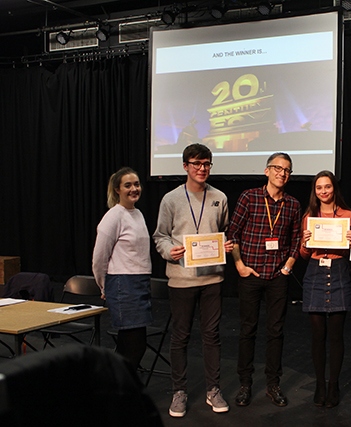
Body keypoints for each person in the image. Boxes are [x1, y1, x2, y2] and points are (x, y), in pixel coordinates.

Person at [153, 143, 230, 418]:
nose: (202, 169)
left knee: (212, 335)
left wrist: (225, 247)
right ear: (185, 166)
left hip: (212, 279)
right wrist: (167, 251)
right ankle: (179, 391)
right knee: (181, 336)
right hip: (182, 278)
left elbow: (222, 231)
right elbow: (160, 236)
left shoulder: (219, 196)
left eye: (207, 163)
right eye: (196, 164)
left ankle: (213, 389)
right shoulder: (171, 199)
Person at [227, 152, 302, 408]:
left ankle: (273, 384)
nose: (283, 173)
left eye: (287, 170)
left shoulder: (292, 204)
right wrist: (239, 265)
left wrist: (288, 265)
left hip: (277, 277)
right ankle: (245, 384)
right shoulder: (249, 197)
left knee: (276, 332)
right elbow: (233, 233)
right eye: (278, 168)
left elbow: (297, 239)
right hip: (251, 274)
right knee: (247, 330)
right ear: (267, 171)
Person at [300, 170, 351, 408]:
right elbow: (304, 254)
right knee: (317, 336)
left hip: (339, 270)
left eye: (327, 186)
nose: (324, 191)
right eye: (319, 188)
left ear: (334, 188)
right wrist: (304, 243)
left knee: (336, 335)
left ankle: (333, 384)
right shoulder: (309, 217)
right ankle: (320, 385)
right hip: (315, 271)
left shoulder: (348, 215)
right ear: (315, 191)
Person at [92, 167, 152, 369]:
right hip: (123, 285)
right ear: (117, 189)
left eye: (136, 184)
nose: (134, 188)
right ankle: (117, 391)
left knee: (131, 346)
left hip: (139, 284)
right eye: (128, 185)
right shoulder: (113, 216)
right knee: (134, 346)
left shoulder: (138, 213)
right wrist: (104, 287)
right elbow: (99, 257)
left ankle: (115, 389)